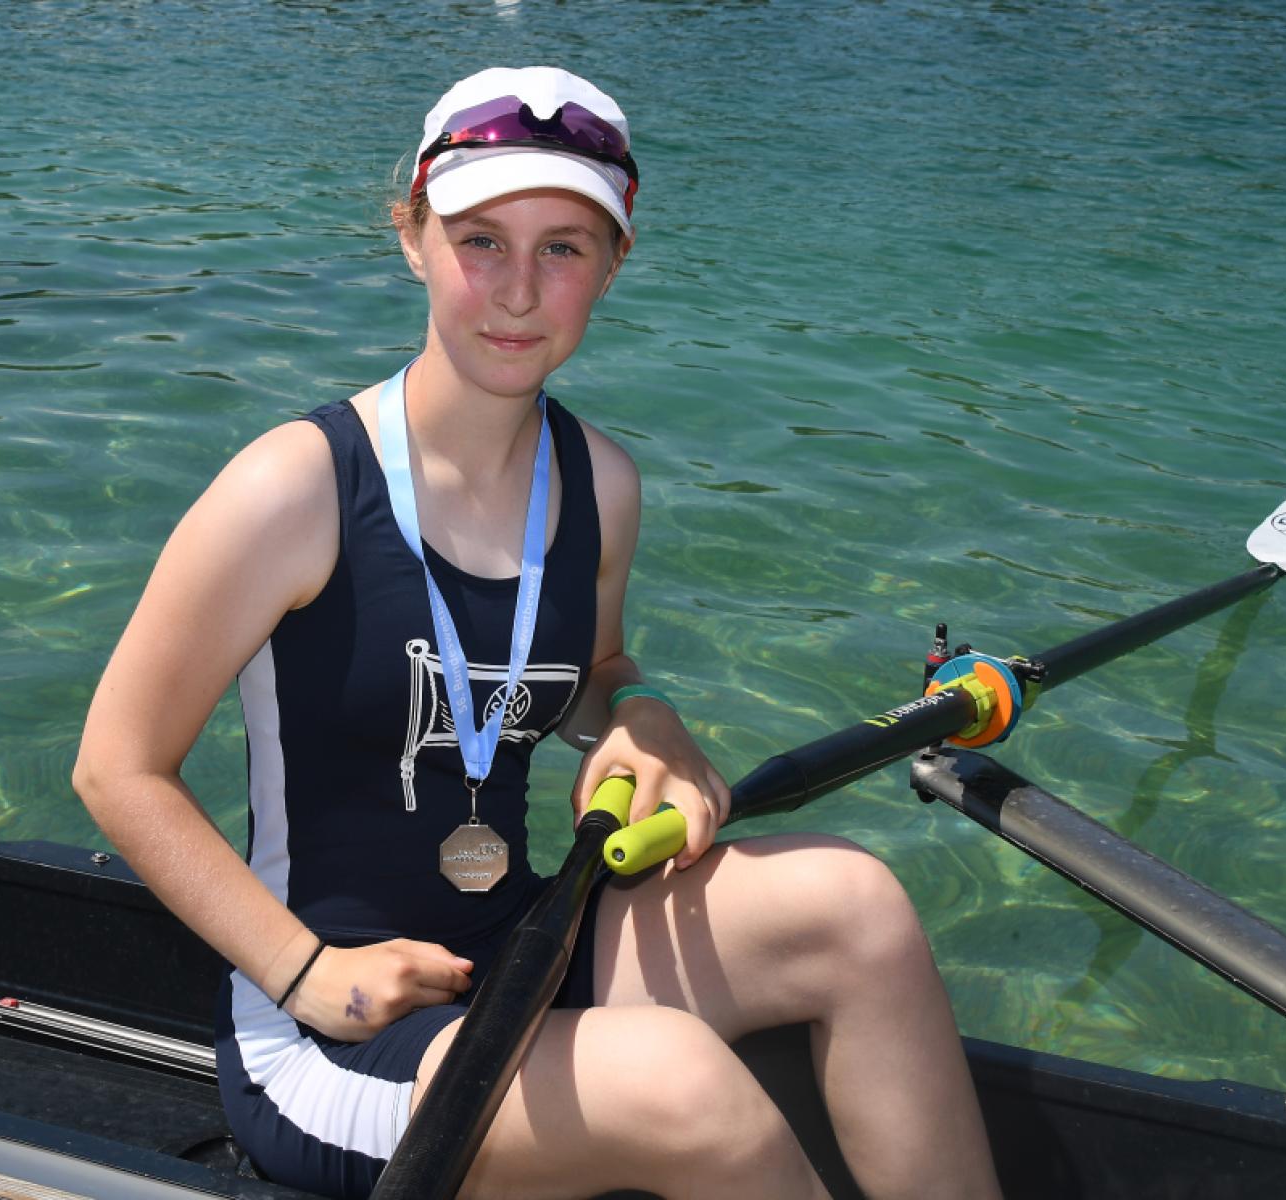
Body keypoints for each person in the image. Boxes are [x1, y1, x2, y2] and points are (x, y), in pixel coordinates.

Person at [74, 65, 1001, 1200]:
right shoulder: (294, 487)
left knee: (855, 907)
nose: (518, 291)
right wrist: (304, 970)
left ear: (612, 265)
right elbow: (118, 767)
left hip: (517, 941)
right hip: (332, 1028)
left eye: (562, 248)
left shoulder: (600, 482)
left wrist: (642, 714)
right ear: (412, 237)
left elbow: (594, 670)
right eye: (481, 241)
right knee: (678, 1085)